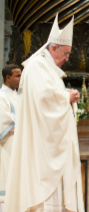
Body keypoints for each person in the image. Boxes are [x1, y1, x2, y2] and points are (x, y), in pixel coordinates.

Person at [4, 14, 84, 212]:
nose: (67, 59)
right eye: (65, 53)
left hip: (48, 144)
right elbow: (44, 99)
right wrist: (66, 97)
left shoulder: (48, 69)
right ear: (54, 47)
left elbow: (51, 96)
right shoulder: (38, 66)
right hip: (41, 148)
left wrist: (65, 96)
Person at [0, 64, 21, 211]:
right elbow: (4, 121)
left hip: (20, 144)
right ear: (8, 78)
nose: (21, 79)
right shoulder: (1, 96)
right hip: (8, 145)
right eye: (17, 76)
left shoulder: (18, 96)